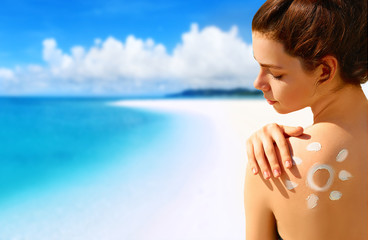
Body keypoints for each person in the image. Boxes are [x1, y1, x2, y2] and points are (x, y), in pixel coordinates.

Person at [244, 0, 367, 239]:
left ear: (325, 70)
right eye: (259, 67)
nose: (258, 83)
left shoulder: (274, 163)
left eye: (276, 73)